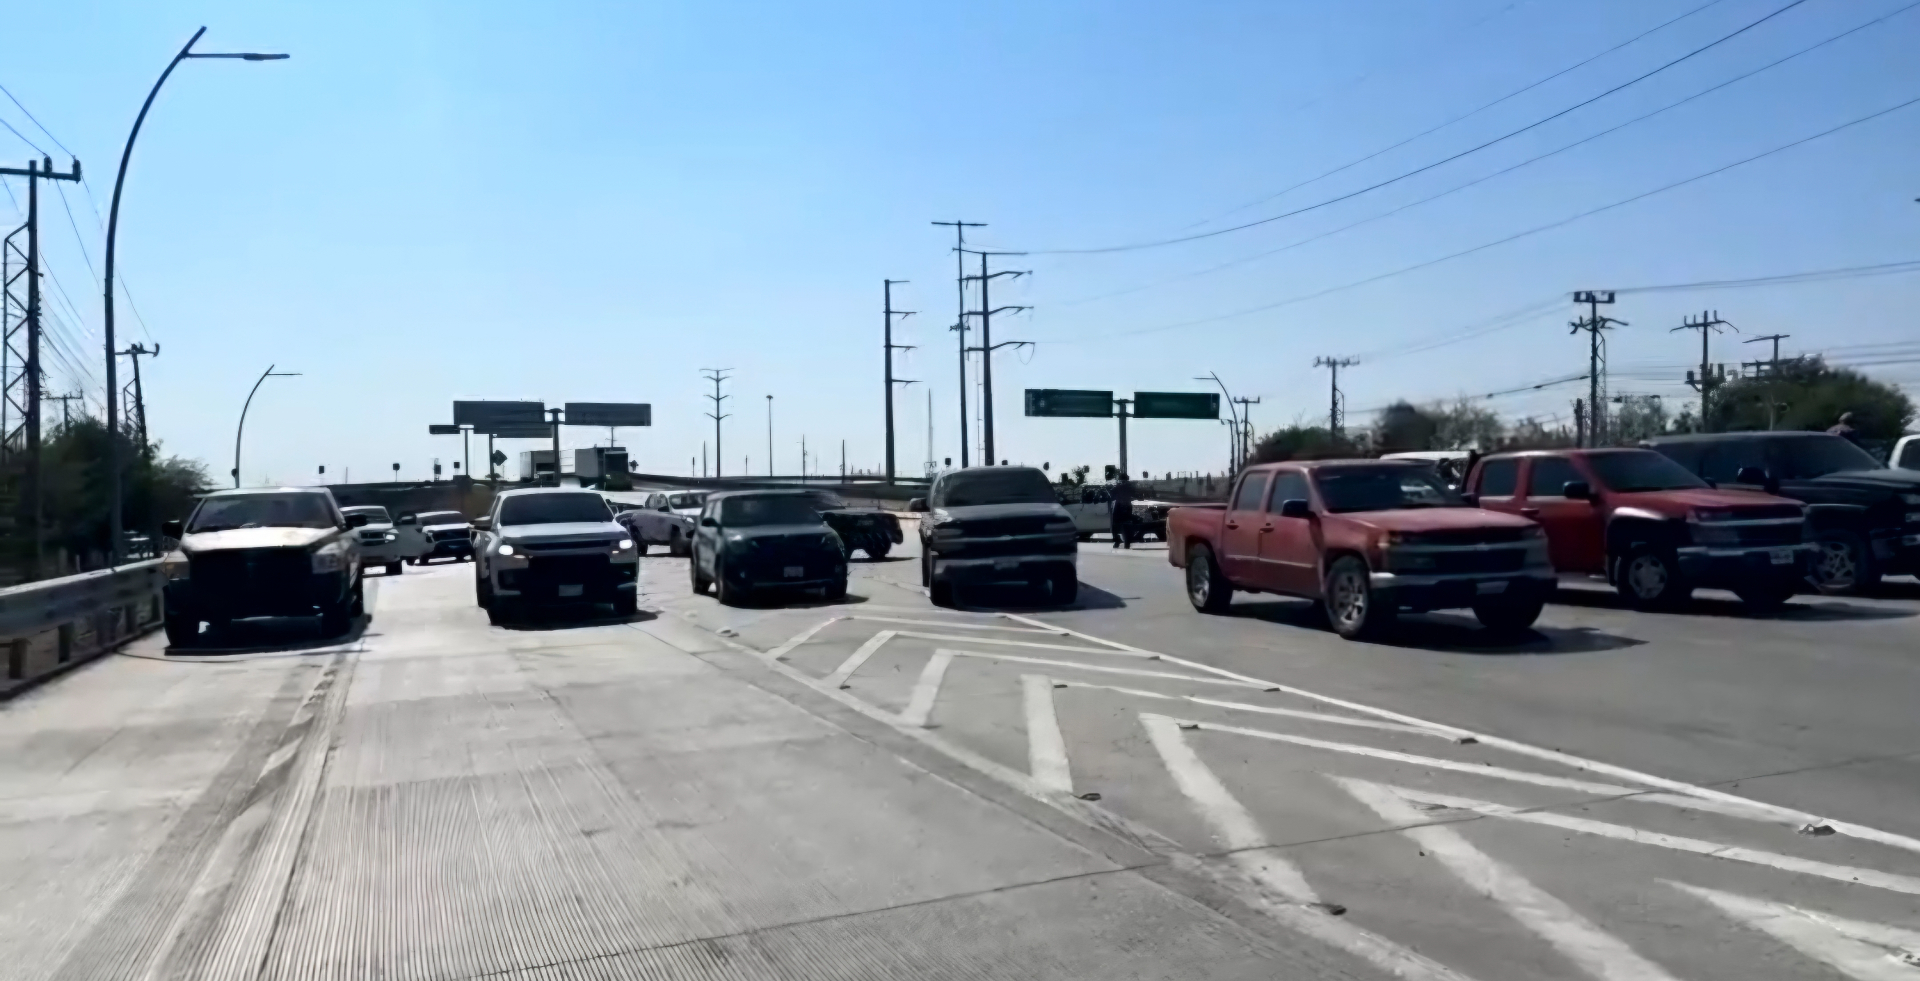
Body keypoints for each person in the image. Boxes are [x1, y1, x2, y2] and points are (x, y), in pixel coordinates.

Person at [1109, 475, 1135, 549]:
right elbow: (1135, 495)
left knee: (1116, 525)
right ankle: (1126, 542)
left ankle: (1118, 541)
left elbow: (1112, 495)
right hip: (1127, 506)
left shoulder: (1117, 487)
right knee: (1126, 525)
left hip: (1120, 506)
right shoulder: (1130, 487)